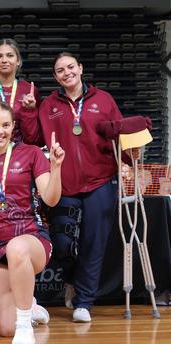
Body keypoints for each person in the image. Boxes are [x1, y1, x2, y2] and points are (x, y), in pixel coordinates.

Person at [24, 52, 151, 323]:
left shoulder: (103, 100)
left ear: (81, 69)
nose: (66, 72)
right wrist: (27, 110)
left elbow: (120, 135)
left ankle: (84, 302)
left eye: (71, 67)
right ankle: (70, 279)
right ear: (55, 76)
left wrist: (131, 159)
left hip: (100, 181)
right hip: (64, 185)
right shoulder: (48, 105)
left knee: (94, 241)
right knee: (62, 244)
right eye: (60, 70)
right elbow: (34, 137)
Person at [0, 101, 63, 344]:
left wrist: (55, 169)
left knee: (16, 248)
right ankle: (29, 306)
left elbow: (51, 198)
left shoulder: (32, 153)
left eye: (5, 125)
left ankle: (25, 326)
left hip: (30, 238)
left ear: (14, 126)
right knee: (4, 329)